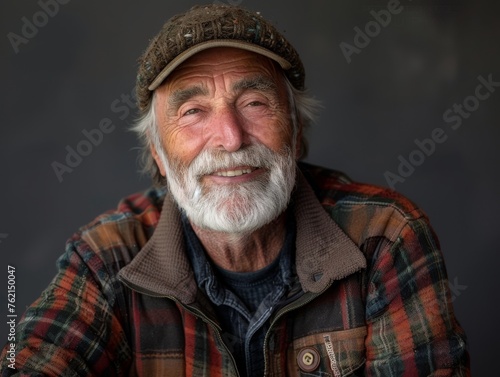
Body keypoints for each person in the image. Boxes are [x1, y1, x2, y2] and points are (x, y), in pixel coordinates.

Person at [1, 4, 469, 376]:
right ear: (158, 154)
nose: (231, 137)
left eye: (254, 102)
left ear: (297, 131)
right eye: (193, 111)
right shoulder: (105, 259)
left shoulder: (384, 236)